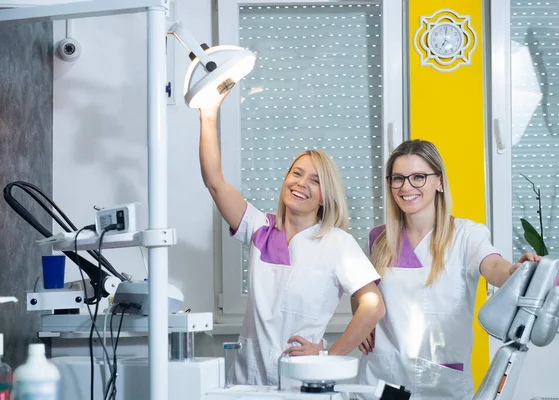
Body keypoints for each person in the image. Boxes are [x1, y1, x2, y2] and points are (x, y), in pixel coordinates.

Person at [198, 89, 386, 386]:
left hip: (303, 379)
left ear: (326, 197)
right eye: (296, 173)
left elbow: (373, 305)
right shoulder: (260, 228)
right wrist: (207, 114)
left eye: (315, 180)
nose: (301, 184)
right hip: (249, 379)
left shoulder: (336, 243)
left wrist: (329, 354)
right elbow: (215, 182)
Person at [354, 139, 539, 400]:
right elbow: (360, 287)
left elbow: (493, 265)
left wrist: (513, 272)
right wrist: (360, 320)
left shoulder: (466, 235)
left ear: (439, 182)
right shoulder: (378, 239)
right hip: (383, 377)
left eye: (418, 177)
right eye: (398, 178)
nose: (407, 187)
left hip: (440, 381)